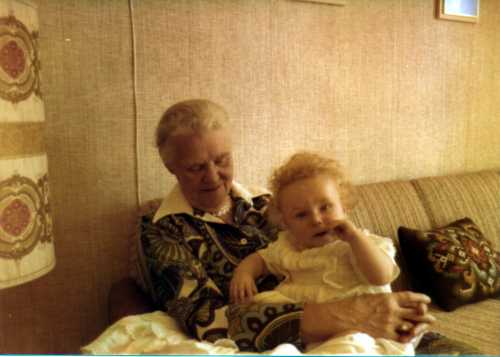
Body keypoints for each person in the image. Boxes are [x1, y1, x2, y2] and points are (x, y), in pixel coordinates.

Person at [140, 98, 435, 352]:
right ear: (171, 167)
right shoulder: (162, 231)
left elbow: (352, 257)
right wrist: (352, 314)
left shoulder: (274, 203)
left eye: (222, 159)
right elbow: (208, 321)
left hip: (365, 326)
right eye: (196, 167)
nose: (213, 175)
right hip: (286, 342)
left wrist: (388, 311)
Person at [229, 152, 419, 354]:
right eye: (301, 214)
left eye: (325, 207)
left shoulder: (359, 244)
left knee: (353, 346)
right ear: (286, 223)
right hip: (317, 335)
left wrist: (355, 238)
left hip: (368, 332)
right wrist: (244, 272)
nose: (317, 220)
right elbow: (261, 259)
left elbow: (381, 276)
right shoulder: (288, 247)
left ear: (344, 208)